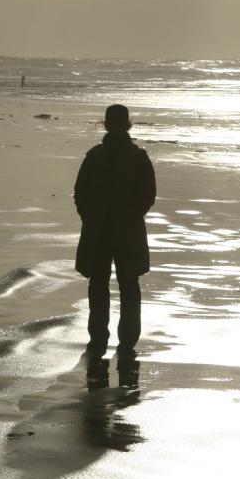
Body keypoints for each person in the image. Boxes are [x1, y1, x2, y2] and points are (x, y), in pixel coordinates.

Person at [74, 104, 156, 357]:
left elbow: (80, 194)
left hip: (99, 231)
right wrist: (130, 217)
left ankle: (99, 338)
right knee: (129, 286)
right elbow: (148, 196)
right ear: (127, 124)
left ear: (106, 124)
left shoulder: (95, 156)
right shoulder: (138, 157)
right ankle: (127, 342)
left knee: (99, 284)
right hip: (127, 233)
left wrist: (91, 218)